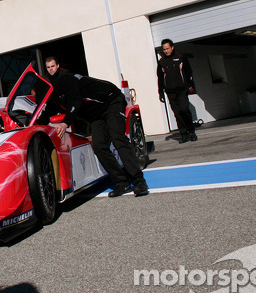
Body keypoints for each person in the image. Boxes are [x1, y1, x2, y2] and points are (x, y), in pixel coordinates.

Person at [44, 57, 149, 197]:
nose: (51, 69)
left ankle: (139, 181)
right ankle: (122, 183)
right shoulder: (54, 89)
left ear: (58, 65)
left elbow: (75, 102)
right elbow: (48, 111)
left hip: (112, 100)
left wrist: (65, 123)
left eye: (52, 66)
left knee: (118, 138)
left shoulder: (66, 79)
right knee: (99, 145)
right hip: (96, 114)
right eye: (48, 67)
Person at [157, 39, 197, 143]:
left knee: (184, 109)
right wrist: (160, 92)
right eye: (164, 49)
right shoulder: (161, 62)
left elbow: (188, 73)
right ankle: (183, 134)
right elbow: (160, 78)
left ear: (172, 47)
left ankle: (191, 131)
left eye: (167, 48)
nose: (166, 51)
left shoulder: (180, 58)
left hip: (182, 90)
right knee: (177, 113)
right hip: (170, 91)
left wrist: (190, 86)